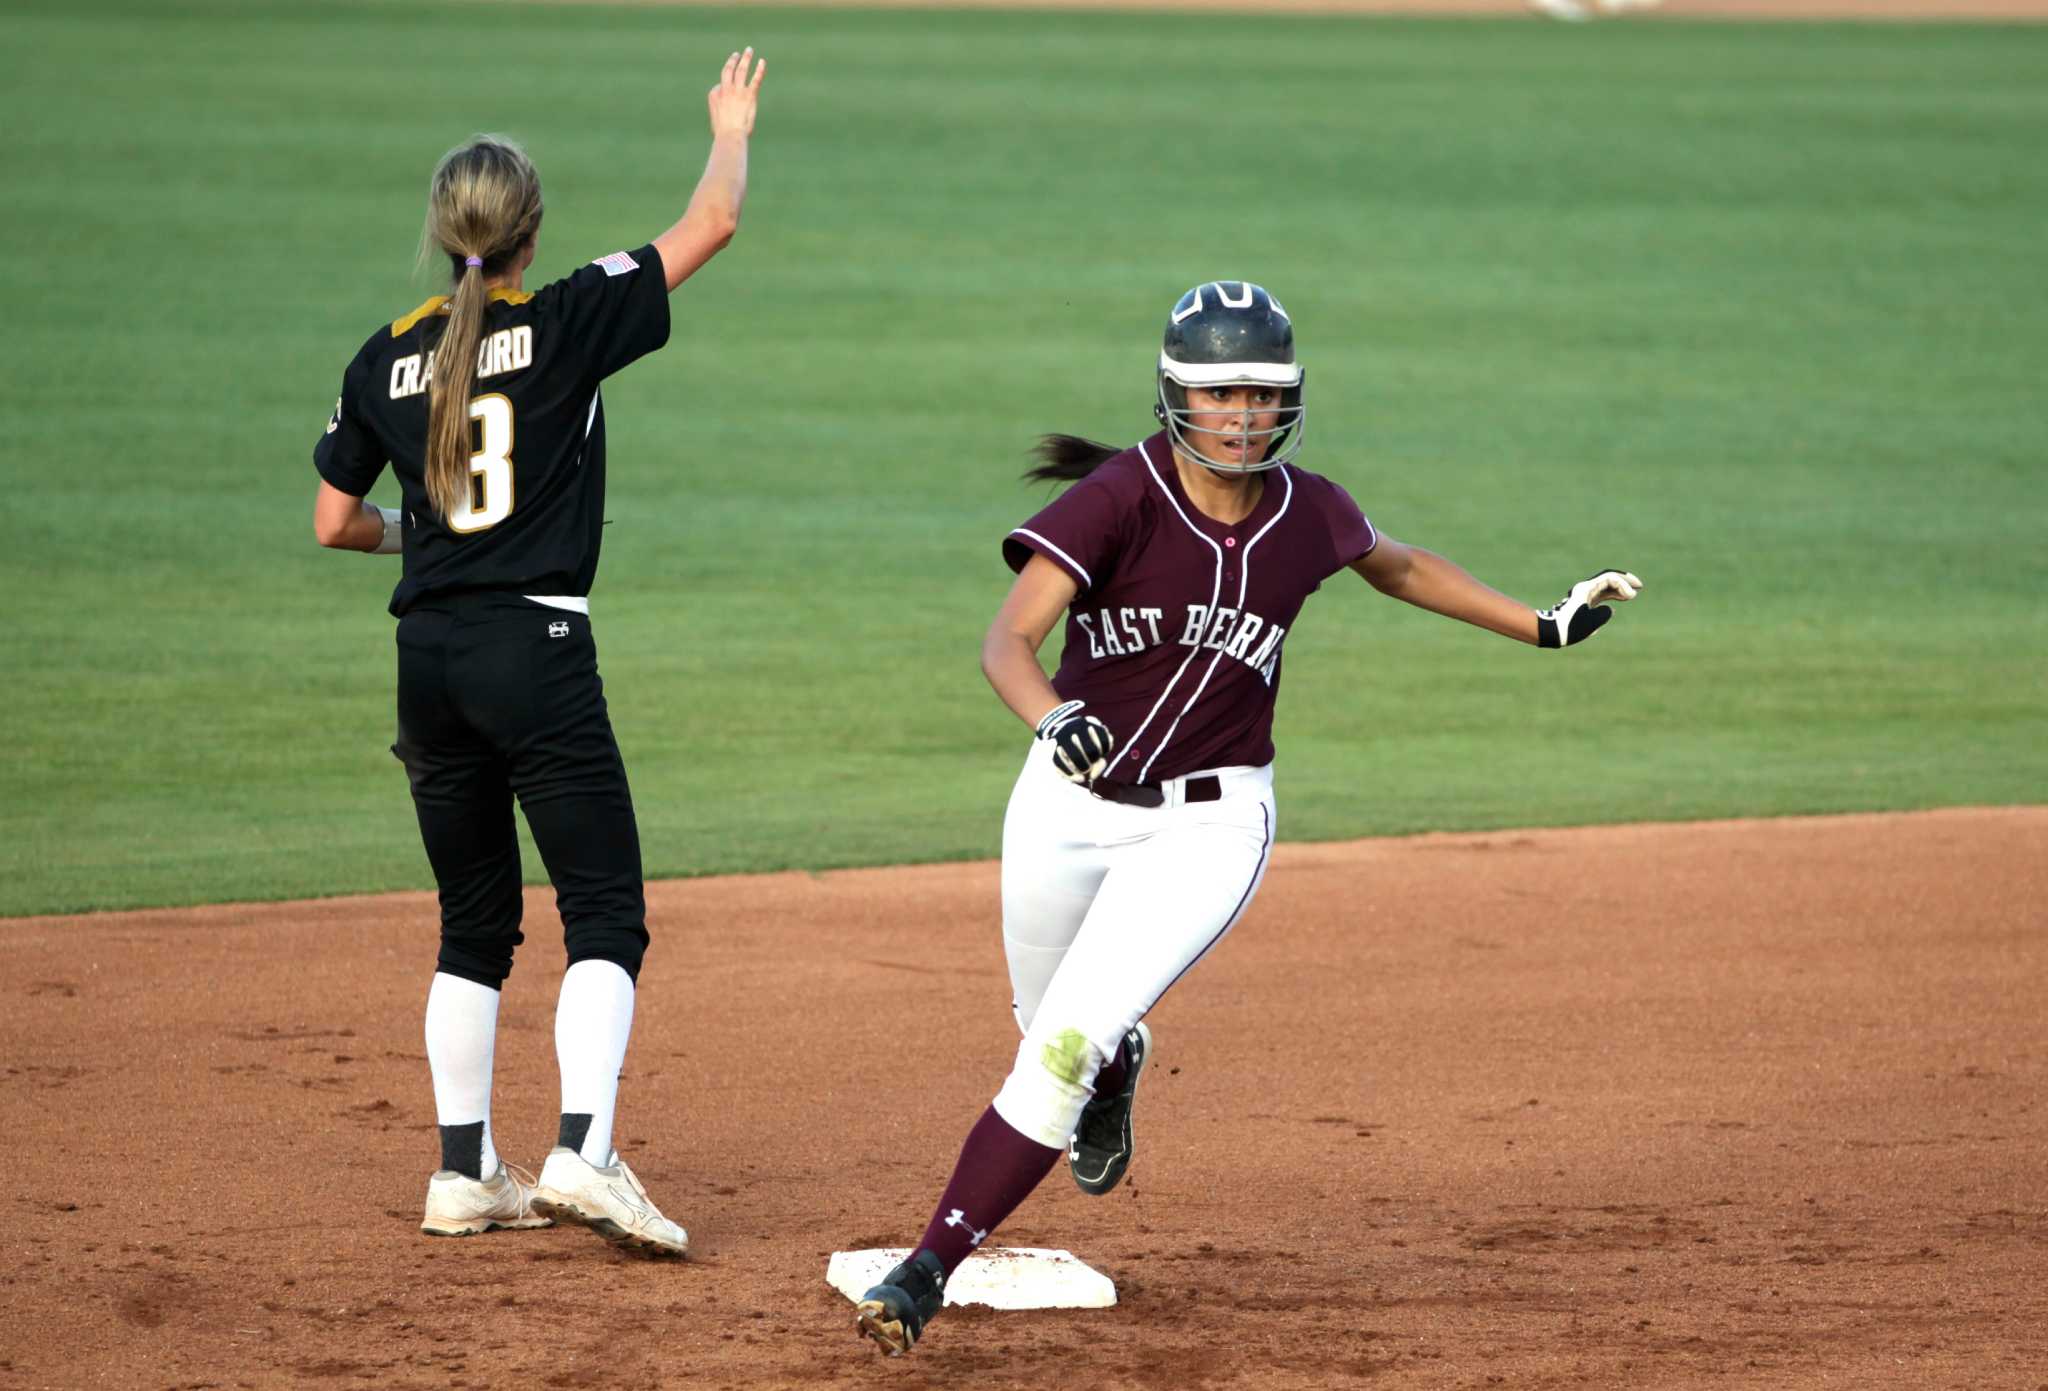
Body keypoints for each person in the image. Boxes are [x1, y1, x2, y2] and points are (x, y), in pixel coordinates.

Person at [854, 280, 1644, 1353]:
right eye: (1219, 391)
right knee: (1044, 1024)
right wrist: (1050, 720)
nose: (1242, 414)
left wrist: (1542, 625)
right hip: (1063, 808)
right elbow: (1007, 641)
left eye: (1262, 394)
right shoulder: (1117, 497)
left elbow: (1397, 563)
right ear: (1175, 394)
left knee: (1058, 1050)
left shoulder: (1304, 509)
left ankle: (923, 1270)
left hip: (1208, 826)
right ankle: (1116, 1065)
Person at [310, 50, 767, 1258]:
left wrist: (432, 532)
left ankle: (463, 1170)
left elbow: (332, 520)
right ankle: (584, 1150)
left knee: (473, 923)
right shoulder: (564, 319)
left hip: (430, 655)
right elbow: (712, 219)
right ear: (526, 236)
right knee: (604, 912)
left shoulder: (384, 353)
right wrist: (728, 125)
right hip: (538, 648)